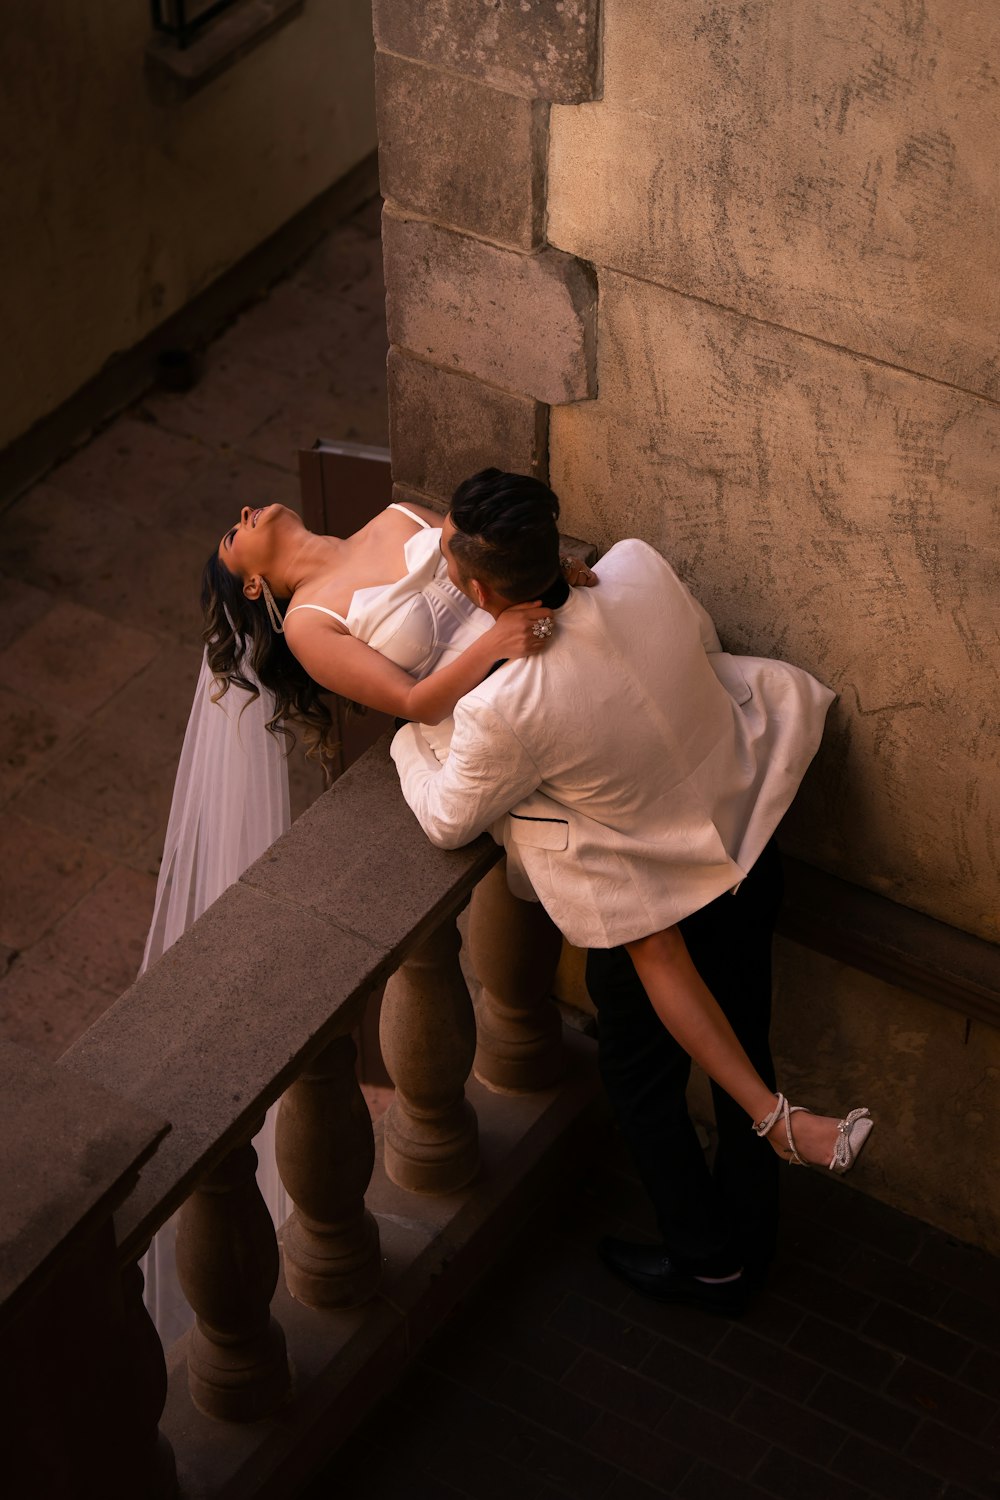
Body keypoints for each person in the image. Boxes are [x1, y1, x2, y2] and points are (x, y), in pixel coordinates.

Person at [391, 469, 874, 1314]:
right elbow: (697, 641)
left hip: (666, 909)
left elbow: (443, 821)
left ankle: (709, 1260)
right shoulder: (641, 567)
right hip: (750, 850)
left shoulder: (504, 705)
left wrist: (408, 739)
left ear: (475, 589)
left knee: (642, 1085)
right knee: (744, 1048)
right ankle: (752, 1235)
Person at [141, 495, 591, 1344]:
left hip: (548, 661)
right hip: (497, 711)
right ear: (253, 588)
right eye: (231, 531)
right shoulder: (311, 626)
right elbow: (417, 701)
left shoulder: (392, 514)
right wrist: (495, 643)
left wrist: (547, 581)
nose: (242, 509)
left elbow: (477, 562)